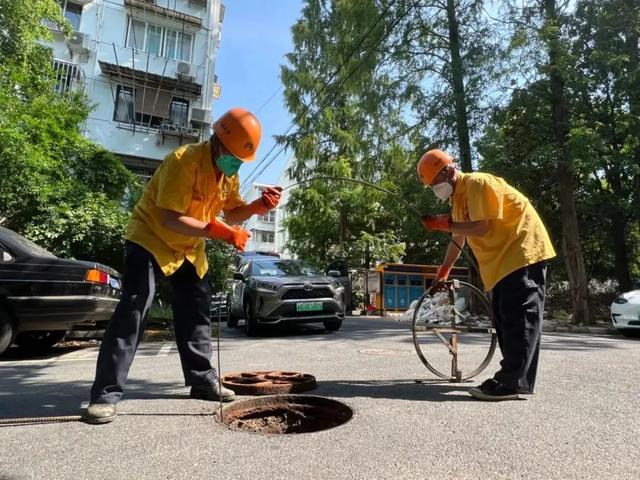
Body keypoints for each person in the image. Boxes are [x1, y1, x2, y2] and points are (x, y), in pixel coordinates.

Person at [84, 108, 282, 424]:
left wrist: (259, 207)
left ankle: (201, 379)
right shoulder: (183, 161)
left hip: (188, 247)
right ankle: (104, 395)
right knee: (134, 309)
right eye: (232, 156)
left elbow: (231, 214)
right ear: (218, 141)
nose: (234, 164)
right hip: (150, 239)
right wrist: (218, 231)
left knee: (197, 307)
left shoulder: (227, 175)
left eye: (239, 161)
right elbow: (168, 217)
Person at [417, 149, 556, 401]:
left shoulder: (477, 184)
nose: (435, 187)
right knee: (504, 317)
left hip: (522, 251)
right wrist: (443, 272)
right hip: (502, 262)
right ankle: (512, 377)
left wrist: (443, 223)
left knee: (518, 316)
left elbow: (481, 227)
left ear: (448, 171)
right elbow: (458, 238)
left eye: (435, 181)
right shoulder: (458, 200)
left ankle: (513, 382)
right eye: (432, 185)